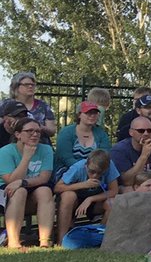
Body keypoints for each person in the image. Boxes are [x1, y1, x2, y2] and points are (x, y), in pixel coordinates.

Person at [1, 116, 56, 248]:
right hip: (5, 191)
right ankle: (13, 242)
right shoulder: (5, 151)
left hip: (30, 186)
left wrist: (22, 182)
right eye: (29, 131)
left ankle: (44, 241)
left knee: (45, 191)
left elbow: (44, 178)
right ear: (18, 134)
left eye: (37, 131)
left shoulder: (46, 149)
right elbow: (10, 181)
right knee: (19, 192)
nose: (35, 134)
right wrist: (26, 158)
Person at [54, 149, 119, 244]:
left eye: (100, 173)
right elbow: (57, 188)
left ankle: (100, 237)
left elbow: (114, 191)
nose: (95, 176)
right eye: (92, 171)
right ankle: (62, 240)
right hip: (75, 201)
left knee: (112, 203)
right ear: (86, 165)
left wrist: (90, 199)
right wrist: (84, 185)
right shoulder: (77, 167)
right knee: (68, 196)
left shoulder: (110, 166)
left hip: (95, 201)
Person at [53, 101, 111, 176]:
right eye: (88, 113)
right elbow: (66, 158)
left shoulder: (101, 133)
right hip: (68, 169)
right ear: (79, 114)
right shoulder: (66, 132)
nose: (92, 115)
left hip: (95, 170)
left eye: (95, 113)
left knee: (111, 166)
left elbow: (104, 154)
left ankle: (113, 187)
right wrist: (86, 170)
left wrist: (93, 170)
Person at [10, 72, 55, 142]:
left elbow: (52, 131)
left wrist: (36, 126)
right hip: (12, 147)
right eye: (26, 84)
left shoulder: (43, 106)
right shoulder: (6, 105)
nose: (30, 86)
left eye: (32, 85)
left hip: (40, 146)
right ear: (16, 87)